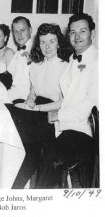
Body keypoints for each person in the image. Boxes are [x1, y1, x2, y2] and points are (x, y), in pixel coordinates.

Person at [36, 13, 98, 188]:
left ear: (92, 34)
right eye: (72, 32)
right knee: (28, 132)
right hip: (67, 124)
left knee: (50, 157)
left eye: (82, 31)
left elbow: (90, 103)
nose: (77, 36)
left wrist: (58, 115)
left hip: (87, 130)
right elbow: (68, 95)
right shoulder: (73, 58)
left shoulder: (99, 61)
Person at [5, 23, 69, 188]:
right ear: (38, 44)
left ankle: (15, 187)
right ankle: (14, 187)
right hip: (35, 111)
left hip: (53, 115)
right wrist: (31, 101)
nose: (47, 46)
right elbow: (33, 91)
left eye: (51, 41)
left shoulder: (66, 67)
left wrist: (37, 108)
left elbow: (64, 102)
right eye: (43, 42)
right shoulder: (35, 64)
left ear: (59, 43)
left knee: (22, 137)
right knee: (7, 110)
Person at [7, 16, 33, 103]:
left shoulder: (35, 50)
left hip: (24, 97)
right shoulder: (19, 51)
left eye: (23, 30)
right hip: (14, 93)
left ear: (30, 30)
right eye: (16, 31)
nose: (19, 35)